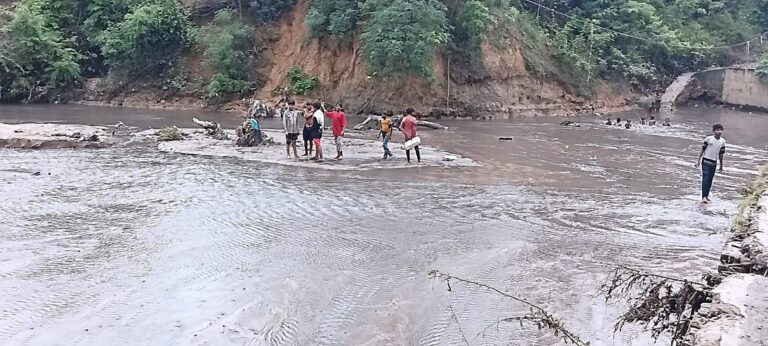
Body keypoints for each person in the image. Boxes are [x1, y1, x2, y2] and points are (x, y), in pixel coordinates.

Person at [695, 124, 726, 204]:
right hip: (705, 161)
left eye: (720, 130)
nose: (719, 132)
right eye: (717, 130)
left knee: (710, 180)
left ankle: (706, 195)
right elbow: (702, 149)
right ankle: (704, 197)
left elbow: (721, 154)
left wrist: (721, 165)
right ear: (713, 131)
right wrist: (698, 160)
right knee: (705, 178)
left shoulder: (722, 141)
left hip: (714, 162)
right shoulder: (709, 139)